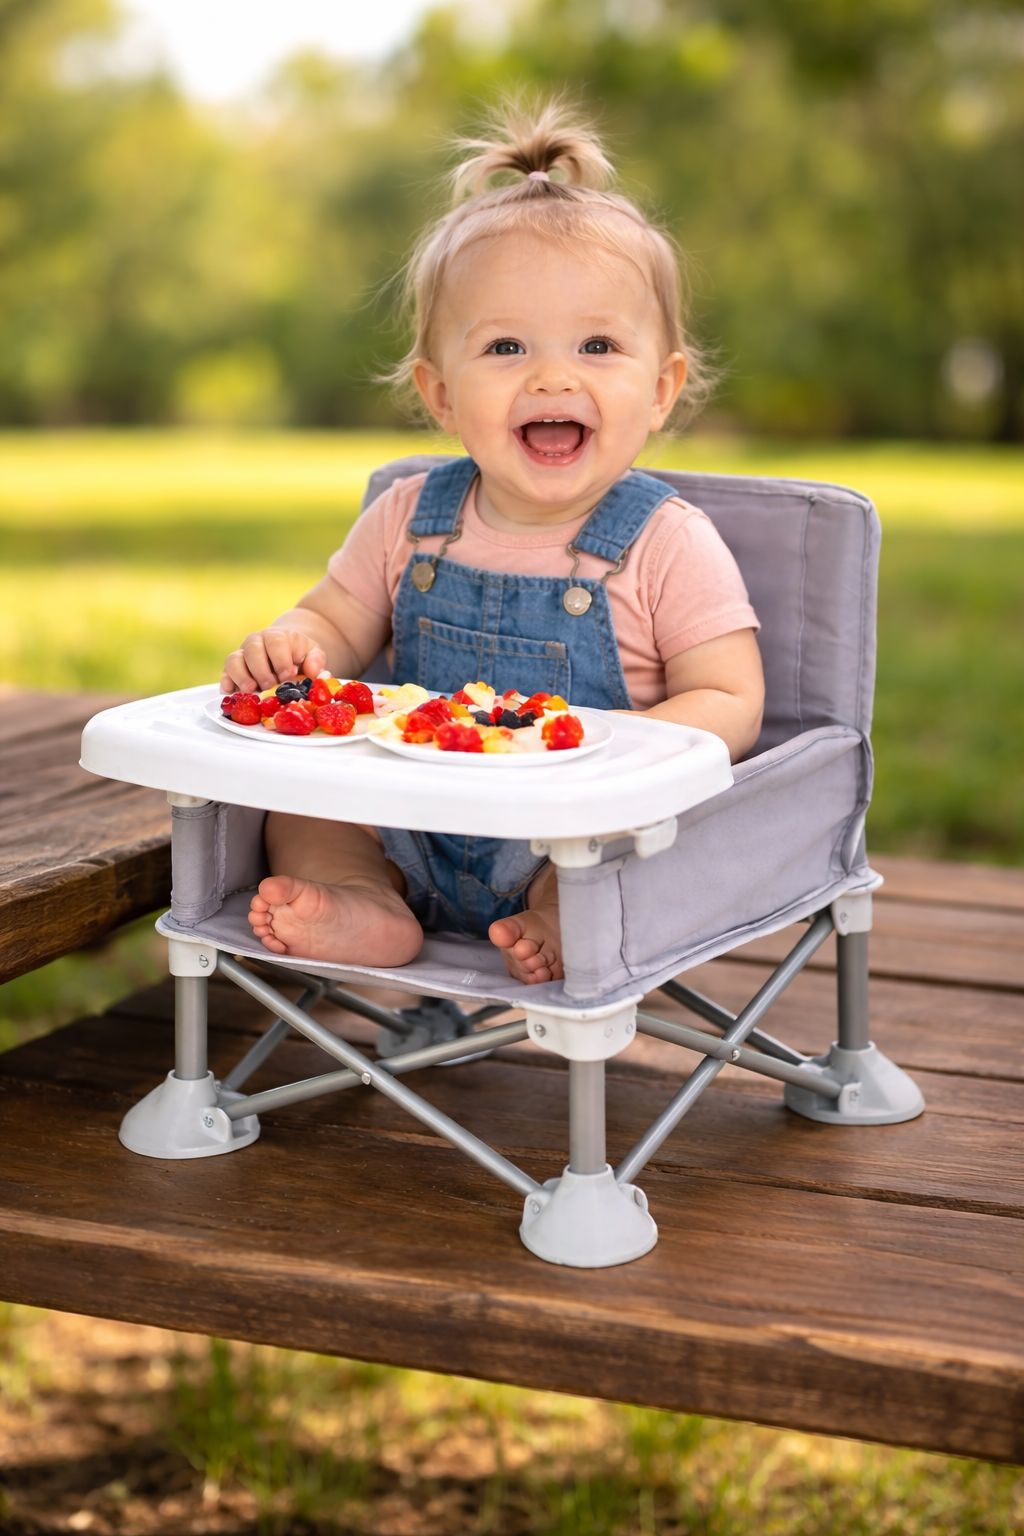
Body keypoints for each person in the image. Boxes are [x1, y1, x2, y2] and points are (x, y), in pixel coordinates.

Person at [221, 97, 765, 985]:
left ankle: (557, 918)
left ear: (661, 388)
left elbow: (731, 699)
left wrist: (620, 752)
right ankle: (368, 902)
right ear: (440, 393)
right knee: (303, 811)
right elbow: (335, 619)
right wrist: (295, 647)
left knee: (643, 841)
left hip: (573, 831)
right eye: (507, 346)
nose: (553, 374)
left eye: (597, 345)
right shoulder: (407, 517)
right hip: (410, 810)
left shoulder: (666, 542)